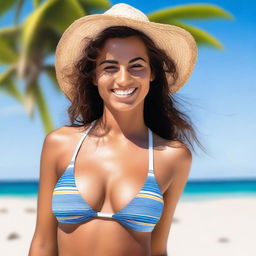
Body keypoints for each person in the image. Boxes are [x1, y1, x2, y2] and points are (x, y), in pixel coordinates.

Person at [28, 3, 202, 256]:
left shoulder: (173, 156)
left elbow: (158, 248)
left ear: (152, 73)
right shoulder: (60, 144)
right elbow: (43, 243)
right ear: (93, 76)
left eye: (136, 66)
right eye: (110, 67)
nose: (123, 79)